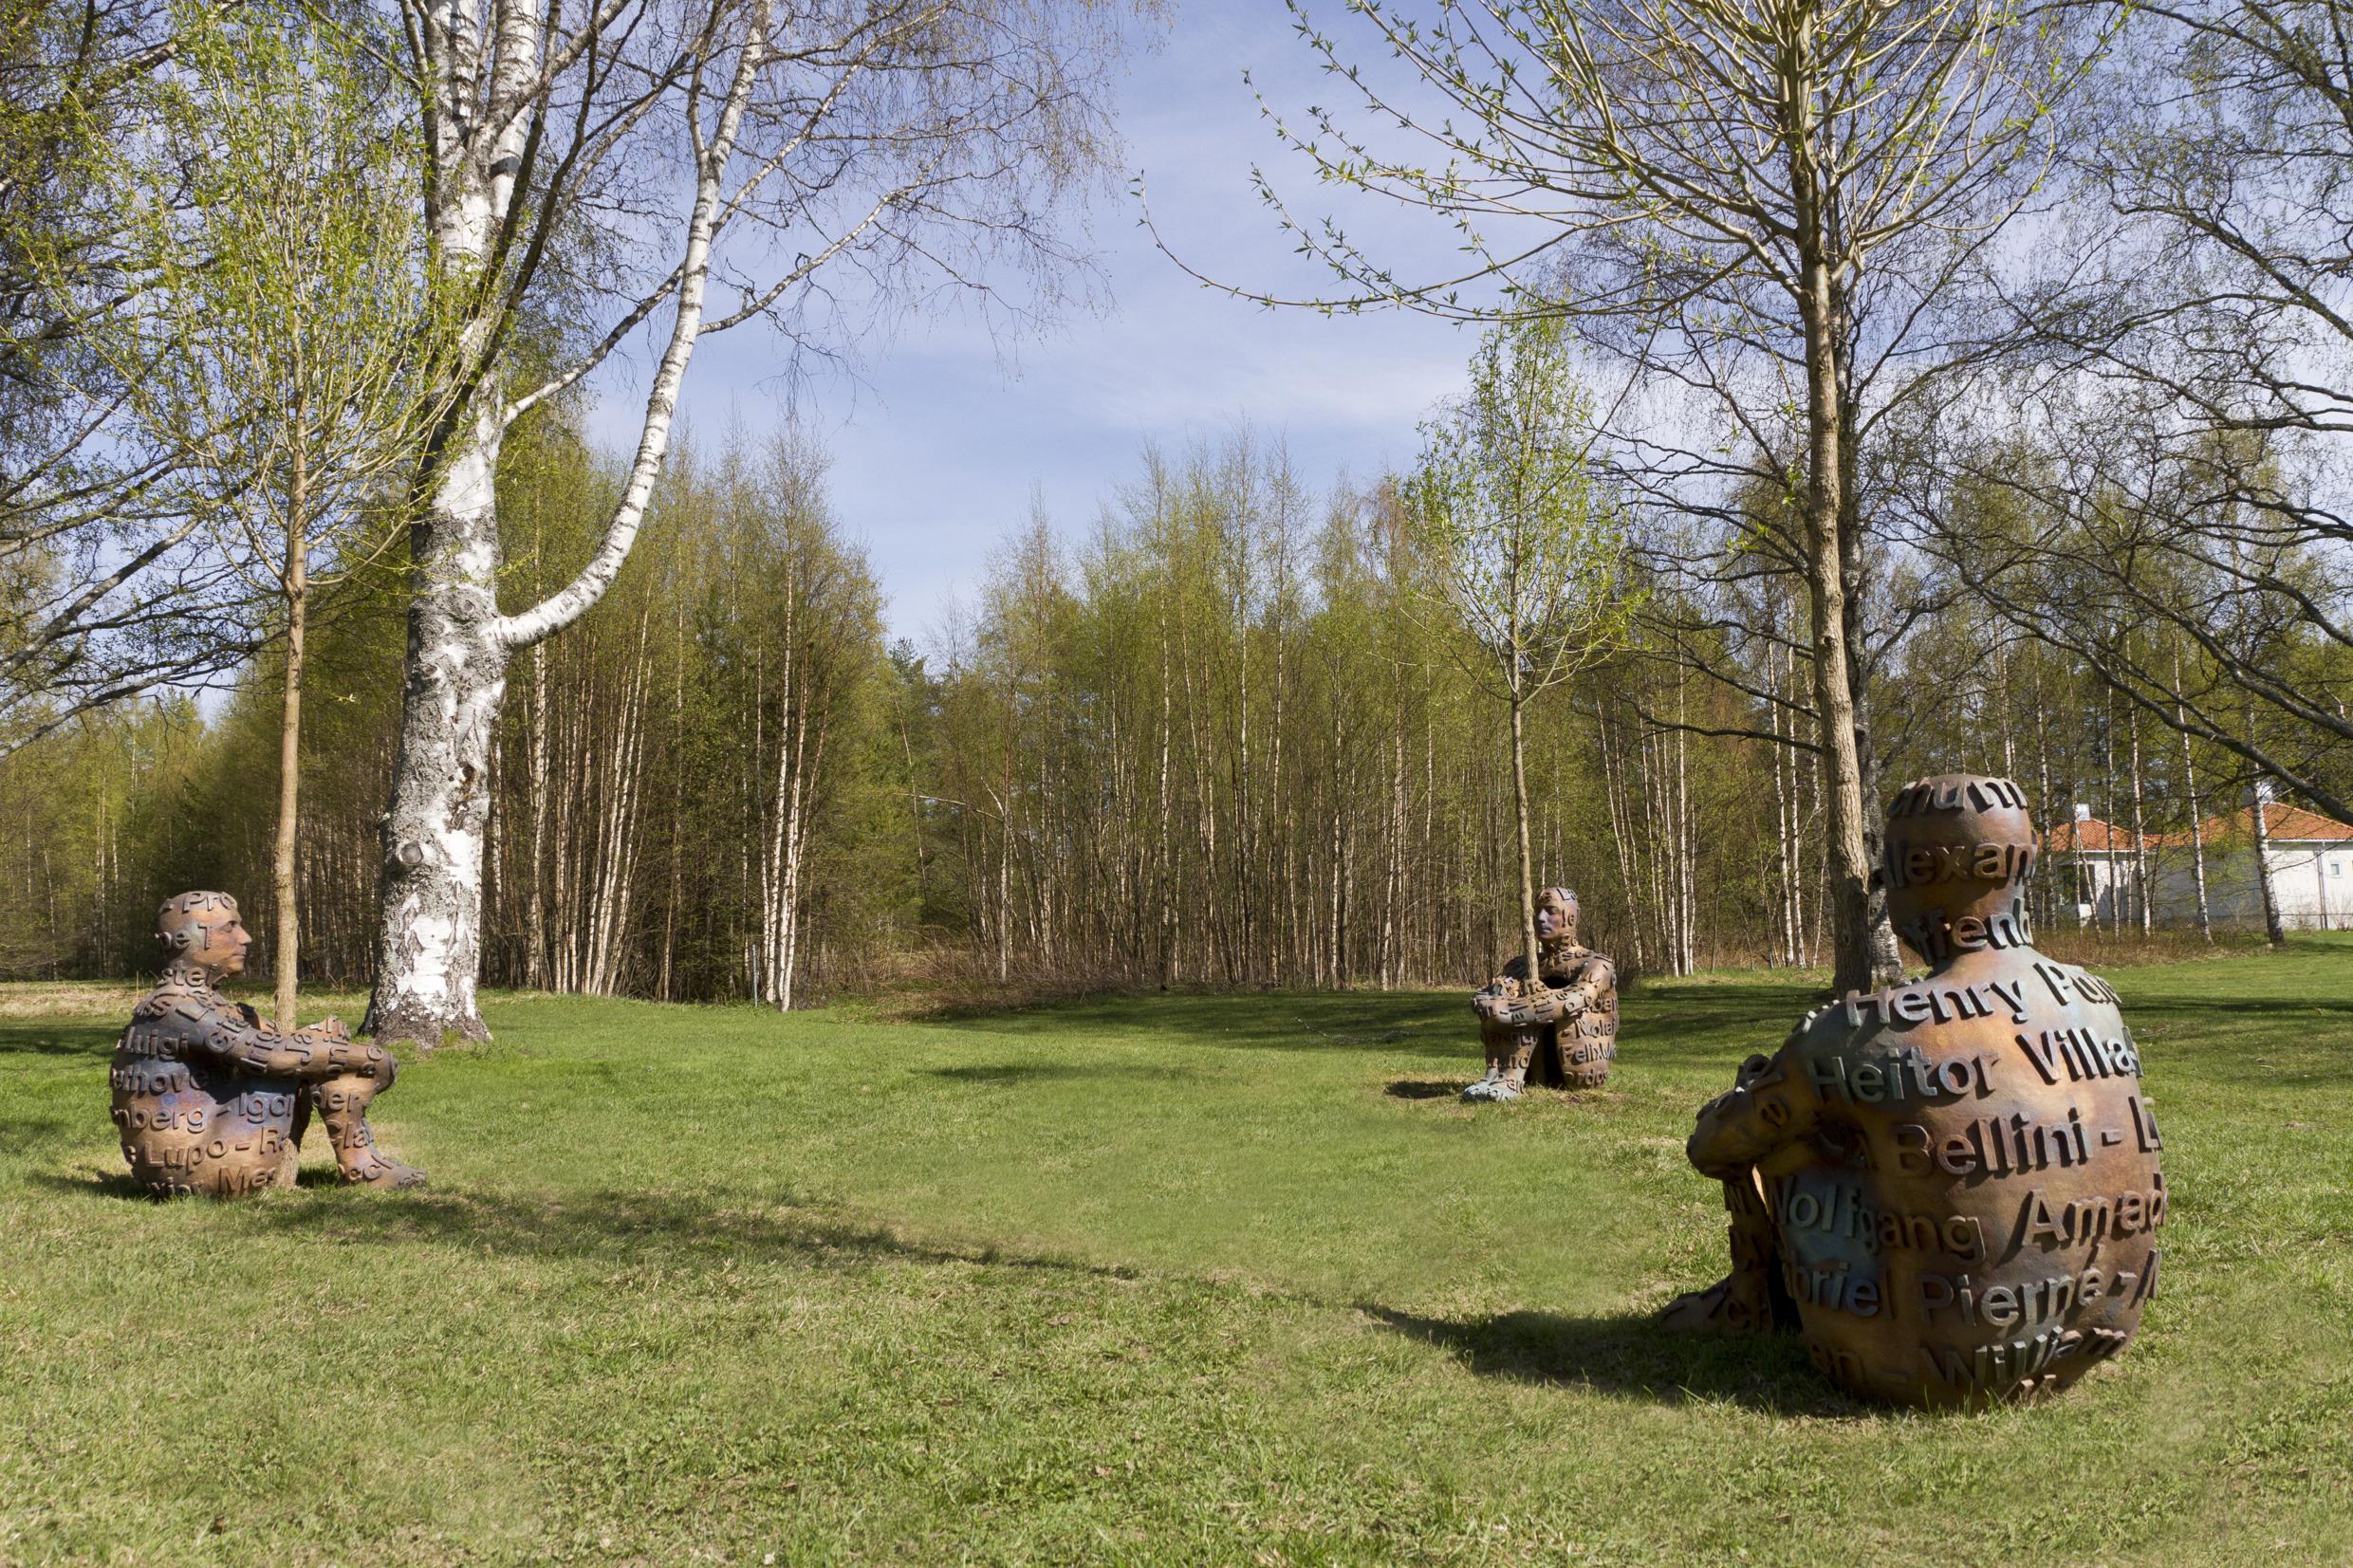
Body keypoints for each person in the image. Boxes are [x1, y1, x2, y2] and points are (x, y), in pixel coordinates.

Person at [1659, 775, 2163, 1406]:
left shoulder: (1867, 1031)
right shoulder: (2095, 1001)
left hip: (1925, 1365)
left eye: (1892, 873)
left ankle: (1749, 1303)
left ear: (1917, 874)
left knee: (1795, 1144)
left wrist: (1750, 1093)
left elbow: (1713, 1147)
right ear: (2020, 865)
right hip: (2092, 1340)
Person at [112, 891, 423, 1196]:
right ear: (185, 940)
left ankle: (361, 1165)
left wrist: (320, 1039)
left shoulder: (201, 1004)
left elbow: (273, 1044)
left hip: (204, 1156)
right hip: (196, 1170)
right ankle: (361, 1167)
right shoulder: (176, 1007)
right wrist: (374, 1057)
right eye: (229, 927)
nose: (244, 938)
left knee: (317, 1051)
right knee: (304, 1060)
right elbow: (274, 1056)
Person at [1464, 886, 1619, 1100]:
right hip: (1532, 1073)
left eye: (1550, 911)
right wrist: (1490, 1000)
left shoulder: (1596, 964)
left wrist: (1512, 1010)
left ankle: (1510, 1080)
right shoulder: (1520, 965)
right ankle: (1496, 1076)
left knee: (1532, 1007)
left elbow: (1575, 998)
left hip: (1581, 1068)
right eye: (1537, 912)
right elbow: (1487, 993)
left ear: (1571, 917)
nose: (1540, 918)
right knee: (1508, 997)